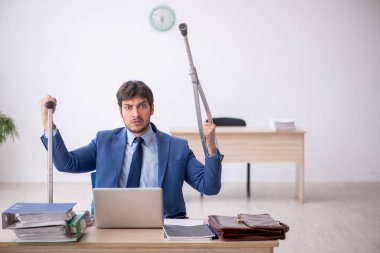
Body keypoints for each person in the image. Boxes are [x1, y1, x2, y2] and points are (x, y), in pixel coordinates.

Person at [39, 80, 222, 218]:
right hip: (112, 224)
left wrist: (211, 146)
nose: (135, 114)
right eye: (128, 107)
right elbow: (66, 164)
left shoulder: (177, 147)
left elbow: (209, 187)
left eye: (142, 106)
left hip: (163, 226)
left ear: (152, 109)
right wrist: (47, 121)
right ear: (121, 112)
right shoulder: (104, 142)